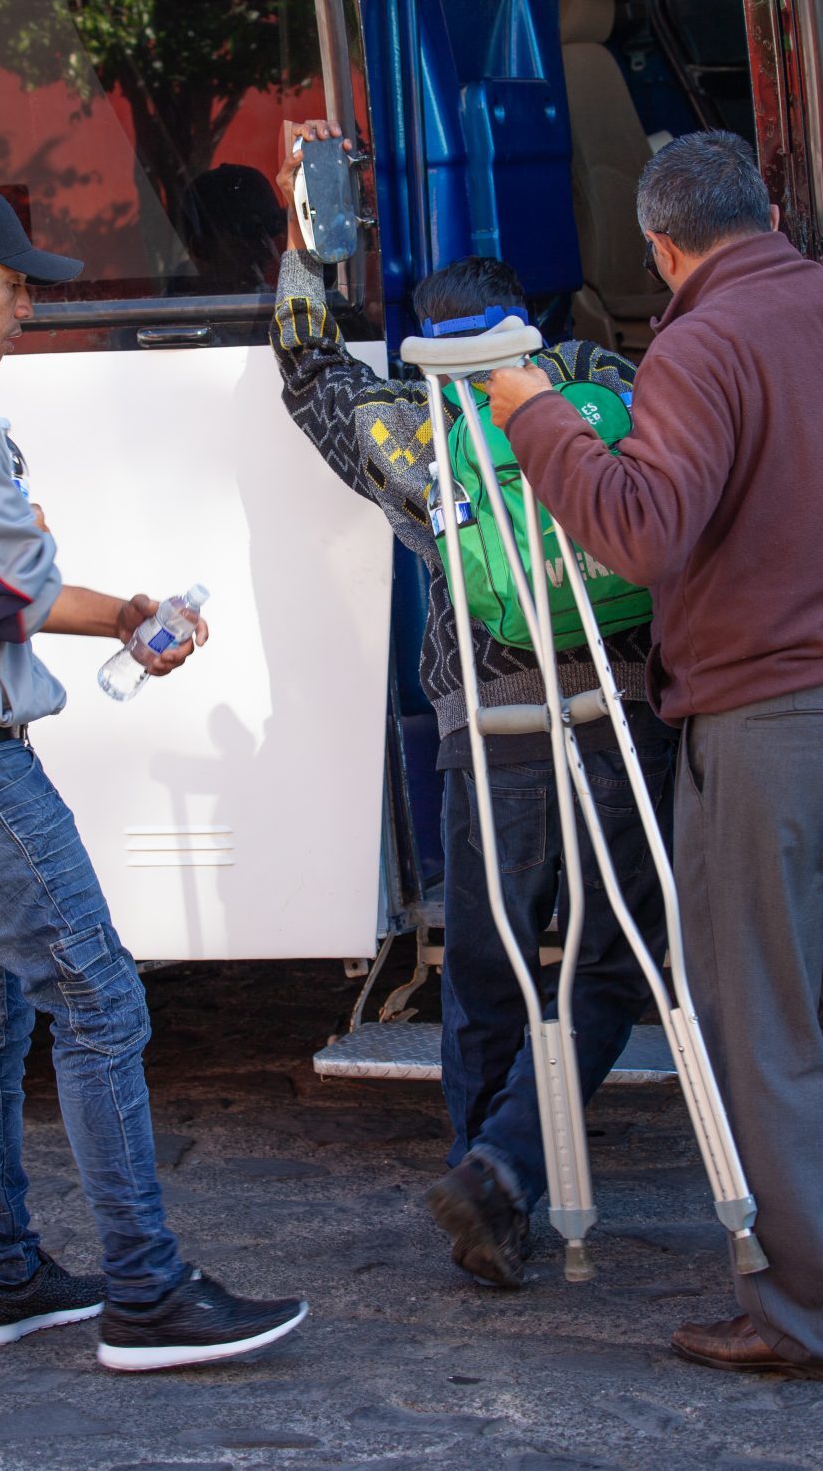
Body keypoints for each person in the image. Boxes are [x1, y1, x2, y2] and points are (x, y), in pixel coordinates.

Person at [486, 130, 823, 1380]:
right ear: (763, 211)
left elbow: (636, 531)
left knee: (760, 1023)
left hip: (777, 723)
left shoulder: (695, 343)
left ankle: (805, 1317)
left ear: (661, 246)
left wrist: (534, 416)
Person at [0, 182, 306, 1373]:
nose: (25, 305)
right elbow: (16, 592)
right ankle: (144, 1291)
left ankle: (2, 1274)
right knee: (99, 998)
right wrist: (138, 615)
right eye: (12, 283)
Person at [270, 120, 676, 1289]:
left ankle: (483, 1186)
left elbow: (303, 364)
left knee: (488, 969)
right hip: (619, 716)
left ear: (421, 345)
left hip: (483, 737)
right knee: (604, 964)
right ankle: (507, 1163)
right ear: (524, 325)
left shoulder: (405, 427)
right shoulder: (602, 389)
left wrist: (309, 237)